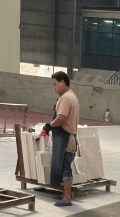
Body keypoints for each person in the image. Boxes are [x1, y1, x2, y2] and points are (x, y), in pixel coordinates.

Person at [48, 71, 79, 207]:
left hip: (66, 138)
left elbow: (61, 118)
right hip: (69, 137)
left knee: (66, 168)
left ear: (62, 82)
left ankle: (67, 198)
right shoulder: (72, 95)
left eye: (55, 84)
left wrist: (50, 125)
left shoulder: (66, 98)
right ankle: (64, 194)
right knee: (64, 167)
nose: (54, 88)